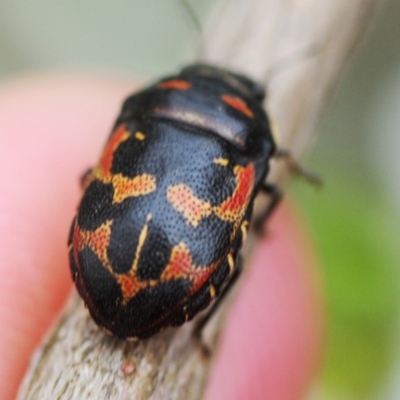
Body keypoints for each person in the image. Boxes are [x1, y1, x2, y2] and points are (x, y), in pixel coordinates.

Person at [0, 73, 324, 400]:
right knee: (236, 264)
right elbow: (269, 186)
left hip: (114, 263)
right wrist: (261, 224)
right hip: (173, 284)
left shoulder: (147, 107)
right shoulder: (250, 142)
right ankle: (199, 332)